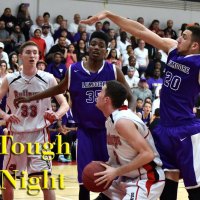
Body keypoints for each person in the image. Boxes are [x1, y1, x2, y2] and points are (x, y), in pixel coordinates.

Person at [81, 10, 200, 200]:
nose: (178, 38)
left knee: (194, 188)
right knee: (169, 180)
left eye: (183, 37)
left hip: (186, 130)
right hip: (165, 127)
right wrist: (109, 15)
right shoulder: (172, 49)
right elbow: (140, 30)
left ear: (195, 45)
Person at [14, 31, 135, 200]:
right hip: (85, 132)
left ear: (106, 50)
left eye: (101, 45)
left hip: (109, 132)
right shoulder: (74, 70)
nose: (96, 48)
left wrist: (132, 117)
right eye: (93, 43)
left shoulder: (113, 71)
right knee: (84, 179)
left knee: (110, 179)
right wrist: (30, 98)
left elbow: (130, 95)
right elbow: (57, 89)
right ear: (87, 46)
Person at [0, 41, 69, 200]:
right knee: (7, 182)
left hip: (39, 135)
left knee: (45, 181)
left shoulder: (48, 78)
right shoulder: (10, 79)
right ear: (20, 57)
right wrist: (5, 116)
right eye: (28, 52)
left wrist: (56, 115)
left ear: (39, 57)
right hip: (15, 134)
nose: (32, 55)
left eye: (35, 53)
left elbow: (64, 104)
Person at [95, 80, 164, 200]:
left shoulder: (122, 121)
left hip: (146, 178)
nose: (97, 94)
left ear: (107, 99)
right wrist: (107, 167)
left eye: (101, 92)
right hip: (124, 179)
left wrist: (115, 172)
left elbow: (148, 154)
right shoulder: (110, 120)